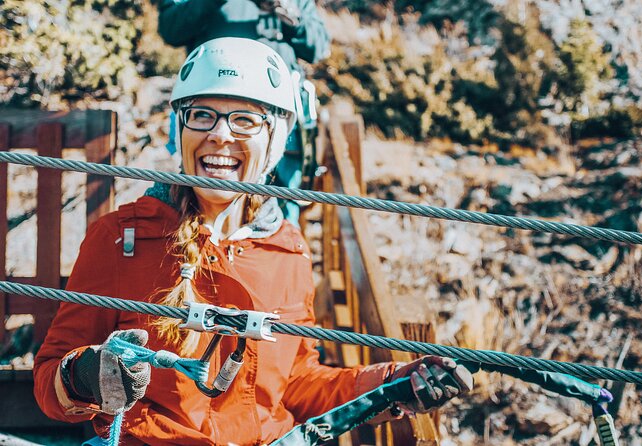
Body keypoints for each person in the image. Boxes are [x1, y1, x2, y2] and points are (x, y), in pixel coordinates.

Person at [33, 38, 473, 445]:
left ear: (274, 141)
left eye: (245, 119)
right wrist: (85, 375)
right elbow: (50, 378)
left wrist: (391, 382)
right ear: (180, 129)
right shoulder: (119, 237)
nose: (220, 134)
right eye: (202, 115)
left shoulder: (288, 248)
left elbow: (297, 381)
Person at [157, 0, 331, 226]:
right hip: (208, 117)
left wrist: (286, 10)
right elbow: (171, 29)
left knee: (283, 210)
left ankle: (280, 256)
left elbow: (318, 47)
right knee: (203, 205)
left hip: (277, 121)